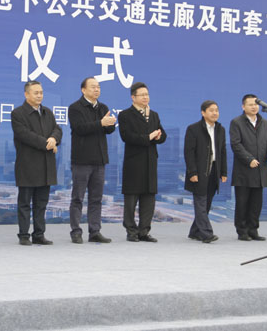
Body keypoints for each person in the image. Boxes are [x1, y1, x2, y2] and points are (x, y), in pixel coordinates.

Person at [11, 80, 63, 245]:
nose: (39, 95)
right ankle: (24, 235)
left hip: (46, 165)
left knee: (41, 203)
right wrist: (47, 143)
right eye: (36, 93)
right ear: (26, 94)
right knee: (25, 203)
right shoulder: (18, 113)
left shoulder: (47, 112)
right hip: (27, 165)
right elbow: (24, 135)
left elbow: (57, 129)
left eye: (41, 92)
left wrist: (54, 139)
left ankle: (39, 234)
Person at [68, 77, 116, 244]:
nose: (97, 90)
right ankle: (76, 231)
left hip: (99, 160)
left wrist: (110, 124)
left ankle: (95, 231)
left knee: (96, 199)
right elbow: (80, 128)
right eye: (93, 87)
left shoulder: (103, 108)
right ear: (83, 90)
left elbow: (108, 130)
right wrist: (101, 123)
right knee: (78, 198)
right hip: (81, 161)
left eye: (98, 87)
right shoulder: (75, 108)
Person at [118, 82, 167, 242]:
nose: (146, 97)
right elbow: (127, 137)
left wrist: (159, 136)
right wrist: (148, 137)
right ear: (133, 97)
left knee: (149, 198)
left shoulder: (154, 115)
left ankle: (144, 231)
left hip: (150, 161)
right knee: (131, 200)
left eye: (147, 94)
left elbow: (163, 134)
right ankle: (131, 231)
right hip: (134, 162)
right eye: (142, 95)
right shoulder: (125, 115)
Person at [230, 94, 267, 241]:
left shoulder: (265, 123)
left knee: (256, 204)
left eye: (256, 104)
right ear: (243, 106)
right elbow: (236, 144)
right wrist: (249, 159)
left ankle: (253, 230)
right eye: (250, 104)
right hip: (243, 171)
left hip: (260, 171)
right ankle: (242, 231)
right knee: (242, 203)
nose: (254, 107)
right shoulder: (236, 122)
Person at [184, 100, 227, 244]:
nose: (215, 113)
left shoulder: (220, 129)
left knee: (207, 203)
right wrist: (192, 172)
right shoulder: (193, 129)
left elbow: (222, 151)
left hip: (214, 170)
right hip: (199, 171)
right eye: (211, 110)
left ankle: (195, 232)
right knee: (200, 202)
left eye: (217, 110)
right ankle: (207, 233)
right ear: (203, 113)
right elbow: (189, 152)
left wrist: (223, 172)